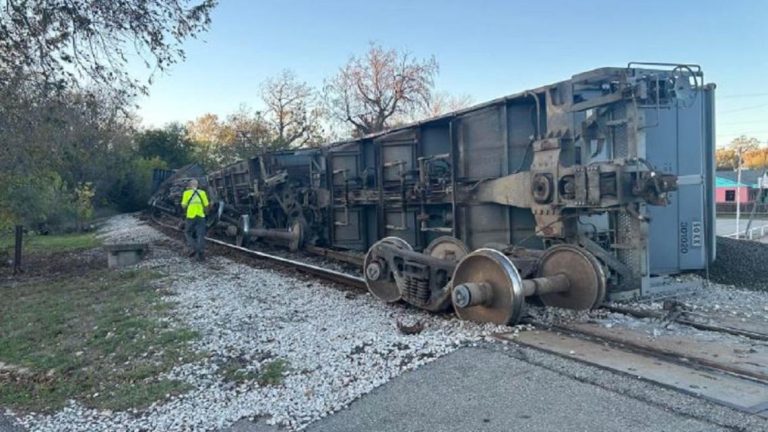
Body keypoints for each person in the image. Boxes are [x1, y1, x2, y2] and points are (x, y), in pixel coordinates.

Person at [180, 179, 210, 261]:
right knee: (200, 234)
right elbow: (207, 205)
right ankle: (200, 254)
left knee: (188, 232)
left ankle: (195, 248)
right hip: (201, 216)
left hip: (191, 216)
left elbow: (183, 206)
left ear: (190, 185)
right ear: (197, 185)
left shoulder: (186, 193)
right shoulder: (202, 193)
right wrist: (206, 214)